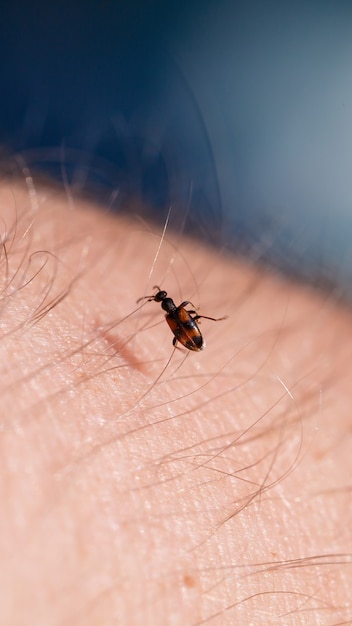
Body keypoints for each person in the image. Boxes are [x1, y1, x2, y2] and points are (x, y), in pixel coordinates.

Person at [0, 176, 351, 625]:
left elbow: (183, 317)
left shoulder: (175, 314)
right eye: (164, 302)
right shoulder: (175, 315)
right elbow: (183, 317)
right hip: (191, 339)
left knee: (186, 332)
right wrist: (187, 321)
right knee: (185, 331)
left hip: (191, 339)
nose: (166, 305)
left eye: (163, 301)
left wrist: (188, 322)